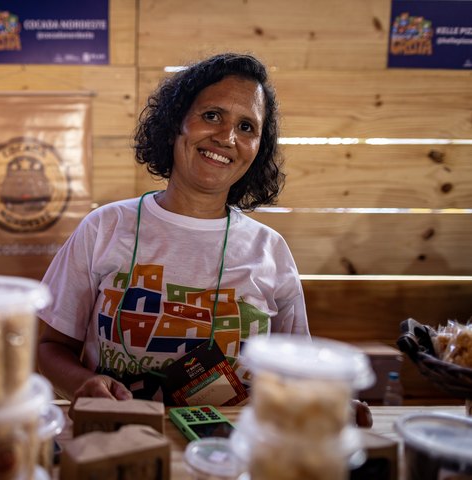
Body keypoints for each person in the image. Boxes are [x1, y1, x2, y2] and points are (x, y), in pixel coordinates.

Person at [37, 53, 374, 423]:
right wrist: (83, 383)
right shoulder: (104, 228)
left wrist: (324, 403)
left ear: (258, 148)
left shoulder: (270, 250)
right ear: (175, 123)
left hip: (232, 453)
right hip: (117, 441)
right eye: (212, 115)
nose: (227, 137)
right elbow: (50, 347)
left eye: (247, 127)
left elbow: (295, 374)